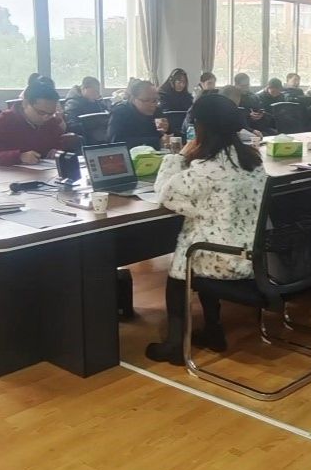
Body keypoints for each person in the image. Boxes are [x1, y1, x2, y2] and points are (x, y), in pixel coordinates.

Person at [144, 94, 268, 365]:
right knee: (201, 247)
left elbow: (164, 194)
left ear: (201, 128)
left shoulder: (206, 169)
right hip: (257, 255)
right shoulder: (252, 160)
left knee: (181, 270)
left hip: (225, 258)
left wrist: (179, 156)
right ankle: (213, 329)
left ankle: (175, 345)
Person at [0, 76, 75, 166]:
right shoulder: (2, 122)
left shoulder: (51, 121)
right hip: (9, 176)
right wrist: (19, 157)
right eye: (41, 113)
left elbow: (57, 143)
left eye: (51, 113)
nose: (46, 117)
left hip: (42, 174)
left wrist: (57, 151)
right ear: (25, 104)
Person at [107, 79, 164, 149]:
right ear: (134, 99)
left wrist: (166, 131)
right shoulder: (120, 112)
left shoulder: (157, 111)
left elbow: (166, 135)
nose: (153, 104)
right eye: (147, 100)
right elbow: (116, 141)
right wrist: (156, 141)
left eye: (155, 100)